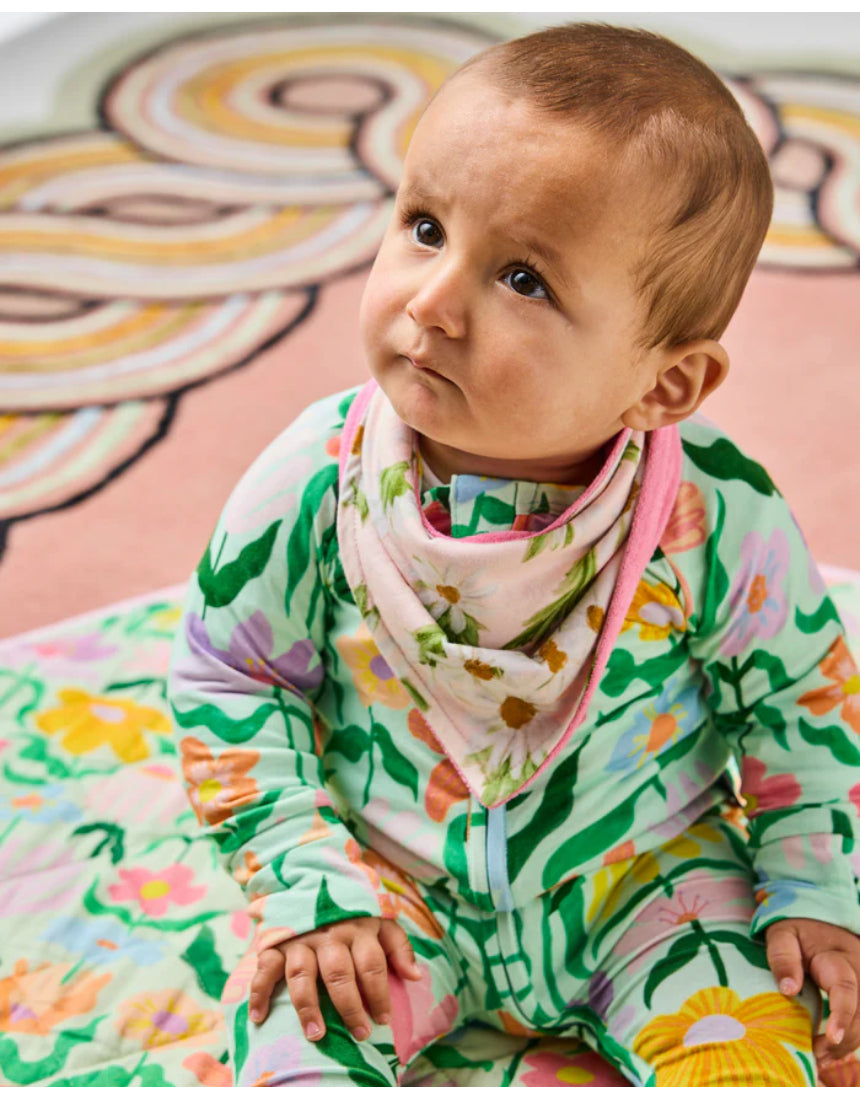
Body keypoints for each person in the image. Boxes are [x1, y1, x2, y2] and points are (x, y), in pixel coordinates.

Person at [168, 22, 860, 1087]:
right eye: (425, 227)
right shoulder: (312, 479)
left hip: (651, 882)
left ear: (664, 384)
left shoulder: (713, 512)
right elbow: (232, 674)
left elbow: (800, 698)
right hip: (385, 886)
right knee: (289, 1036)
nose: (430, 301)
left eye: (524, 279)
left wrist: (813, 886)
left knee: (769, 1057)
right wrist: (309, 881)